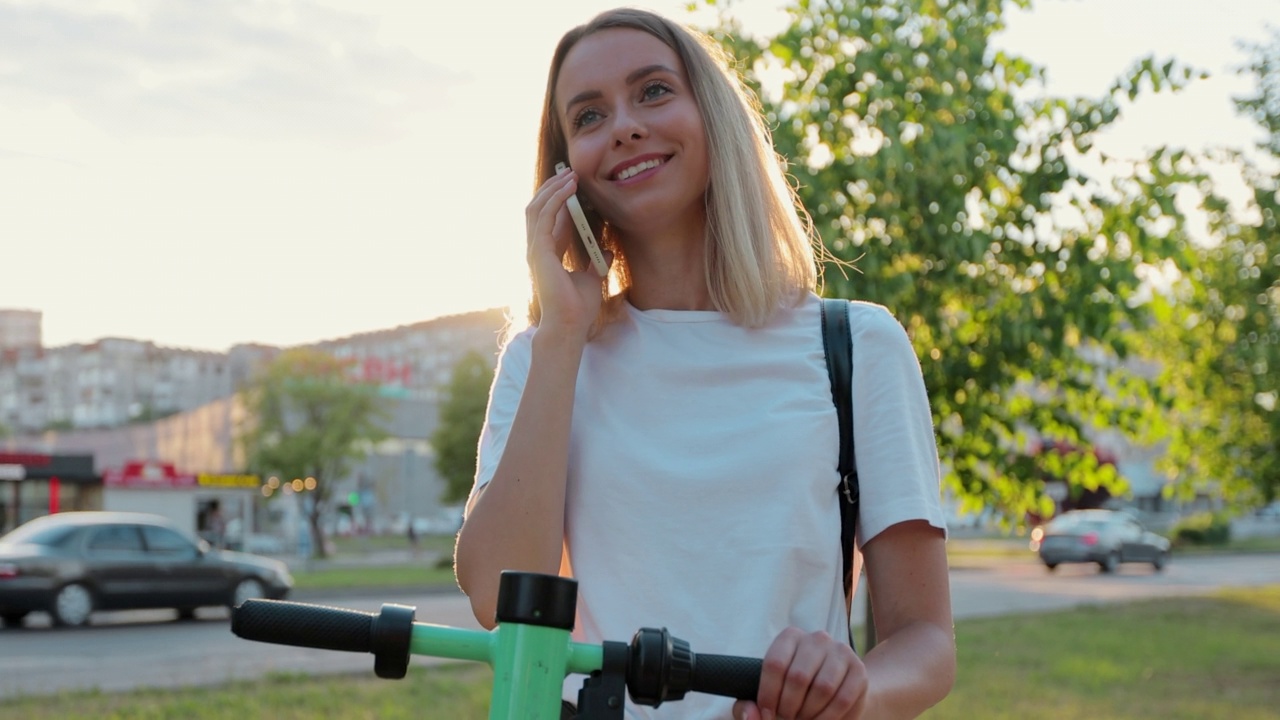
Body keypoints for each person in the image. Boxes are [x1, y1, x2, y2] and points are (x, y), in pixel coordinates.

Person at [453, 8, 955, 719]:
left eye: (653, 91)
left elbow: (926, 643)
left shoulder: (857, 347)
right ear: (566, 169)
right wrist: (564, 329)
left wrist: (848, 691)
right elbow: (496, 597)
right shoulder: (545, 357)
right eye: (589, 115)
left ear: (713, 117)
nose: (624, 124)